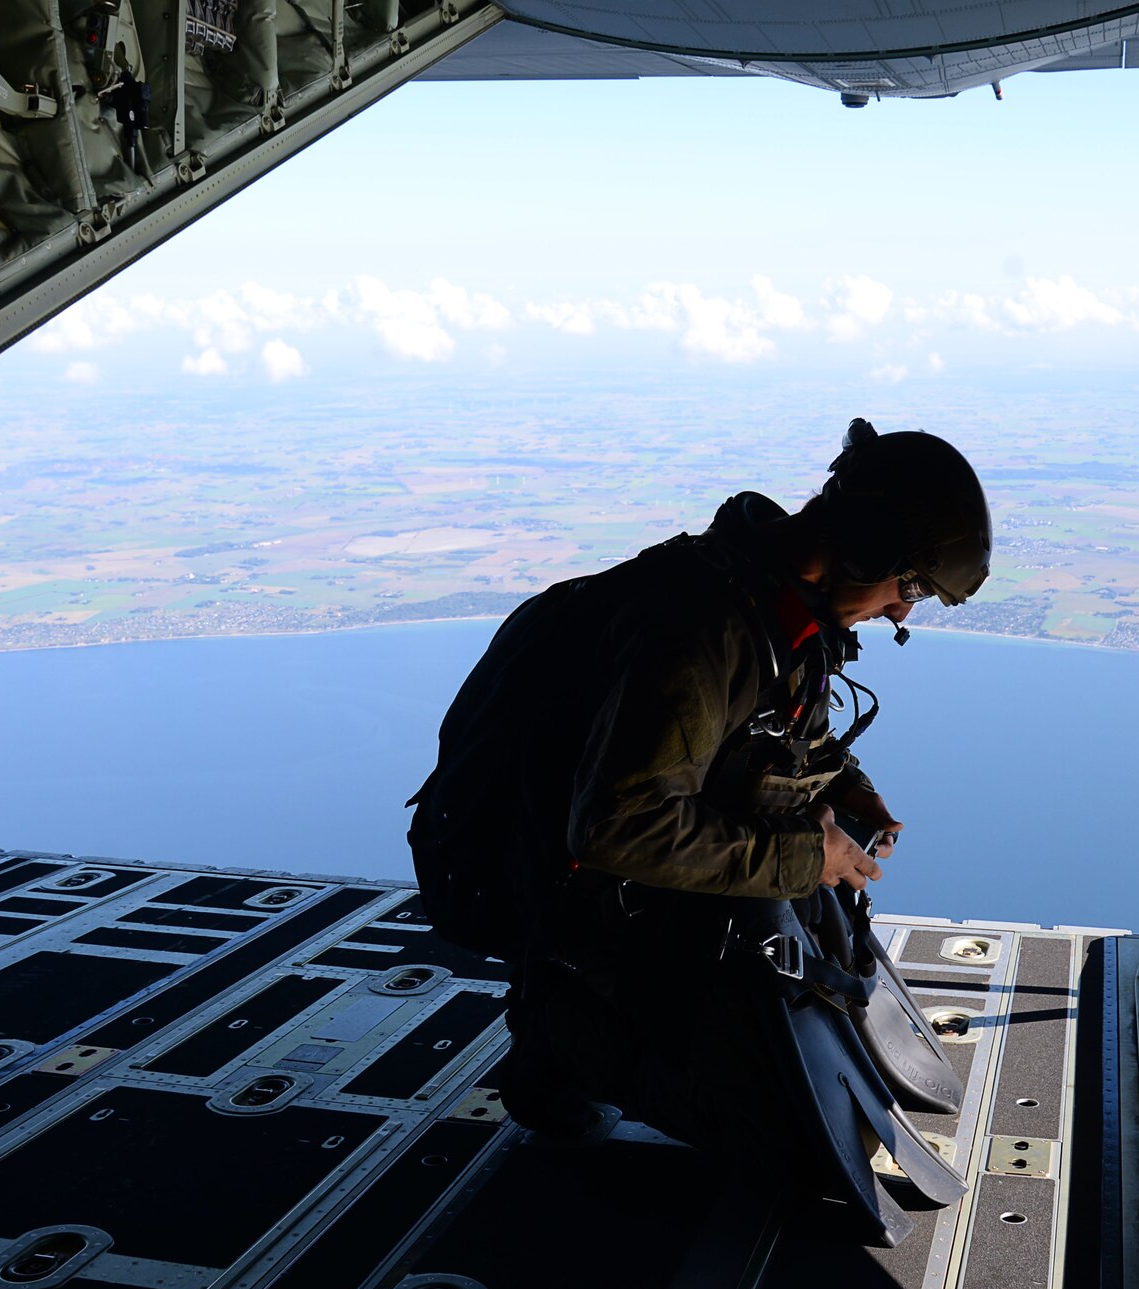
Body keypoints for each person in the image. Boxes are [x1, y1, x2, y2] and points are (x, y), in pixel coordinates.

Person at [408, 418, 991, 1209]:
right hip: (548, 886)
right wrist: (801, 857)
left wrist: (840, 788)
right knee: (783, 1147)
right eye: (912, 586)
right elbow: (618, 826)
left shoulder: (773, 603)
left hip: (613, 866)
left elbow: (771, 732)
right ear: (868, 547)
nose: (902, 614)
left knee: (815, 951)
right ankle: (553, 1030)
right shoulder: (702, 625)